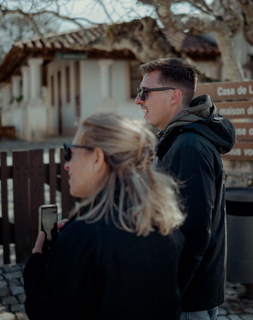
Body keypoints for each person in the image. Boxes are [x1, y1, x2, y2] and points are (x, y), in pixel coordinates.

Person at [23, 113, 185, 320]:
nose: (66, 165)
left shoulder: (84, 237)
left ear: (97, 159)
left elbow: (49, 313)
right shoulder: (163, 219)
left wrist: (37, 262)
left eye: (69, 153)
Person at [135, 58, 236, 320]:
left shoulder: (189, 146)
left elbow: (192, 231)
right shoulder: (179, 139)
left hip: (186, 301)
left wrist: (166, 294)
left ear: (174, 96)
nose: (138, 100)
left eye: (144, 92)